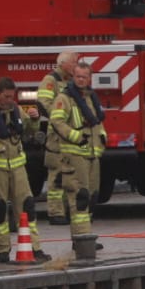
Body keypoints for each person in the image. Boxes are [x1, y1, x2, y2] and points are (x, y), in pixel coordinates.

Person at [0, 74, 49, 263]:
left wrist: (34, 120)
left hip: (17, 166)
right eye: (7, 97)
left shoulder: (15, 109)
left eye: (12, 96)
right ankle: (2, 250)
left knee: (27, 206)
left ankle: (34, 248)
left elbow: (30, 130)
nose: (10, 100)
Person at [48, 59, 106, 254]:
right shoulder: (64, 98)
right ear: (73, 77)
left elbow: (95, 121)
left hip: (91, 155)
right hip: (73, 155)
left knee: (91, 196)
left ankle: (85, 236)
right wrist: (75, 136)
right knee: (79, 197)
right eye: (78, 76)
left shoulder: (90, 97)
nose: (81, 80)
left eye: (84, 77)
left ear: (90, 78)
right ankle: (81, 240)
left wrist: (102, 138)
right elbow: (57, 121)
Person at [34, 48, 79, 224]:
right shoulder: (51, 81)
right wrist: (60, 117)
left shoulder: (71, 82)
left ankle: (67, 209)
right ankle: (55, 213)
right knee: (56, 176)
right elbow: (43, 104)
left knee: (69, 174)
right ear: (63, 64)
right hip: (57, 136)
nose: (75, 66)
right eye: (73, 62)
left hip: (69, 135)